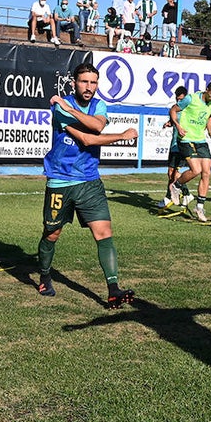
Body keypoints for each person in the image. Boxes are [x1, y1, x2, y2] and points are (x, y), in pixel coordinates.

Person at [37, 63, 138, 307]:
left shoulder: (97, 105)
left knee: (104, 234)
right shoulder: (60, 108)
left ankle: (113, 289)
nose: (89, 87)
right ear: (74, 83)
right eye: (84, 82)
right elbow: (88, 136)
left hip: (90, 182)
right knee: (52, 234)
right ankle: (44, 276)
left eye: (93, 83)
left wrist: (72, 110)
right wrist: (122, 136)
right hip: (60, 181)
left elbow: (99, 124)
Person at [169, 81, 211, 223]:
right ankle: (176, 185)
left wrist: (210, 129)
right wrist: (178, 126)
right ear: (206, 90)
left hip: (200, 139)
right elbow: (173, 110)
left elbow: (210, 115)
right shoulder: (191, 98)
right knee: (196, 170)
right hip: (186, 138)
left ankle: (199, 207)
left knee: (207, 172)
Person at [158, 87, 189, 208]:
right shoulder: (174, 109)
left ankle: (170, 196)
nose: (179, 100)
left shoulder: (188, 110)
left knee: (176, 173)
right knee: (170, 173)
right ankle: (184, 195)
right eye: (177, 98)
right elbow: (173, 121)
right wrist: (168, 123)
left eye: (181, 98)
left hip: (183, 144)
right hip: (174, 145)